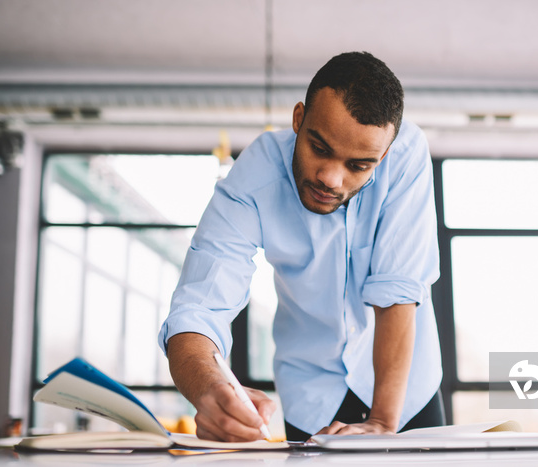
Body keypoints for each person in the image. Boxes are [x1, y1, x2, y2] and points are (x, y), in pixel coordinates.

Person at [158, 51, 444, 442]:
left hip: (405, 390)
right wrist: (208, 390)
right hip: (313, 394)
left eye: (358, 166)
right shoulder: (253, 177)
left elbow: (396, 288)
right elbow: (197, 308)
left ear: (383, 156)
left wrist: (382, 421)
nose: (330, 178)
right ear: (299, 119)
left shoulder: (406, 152)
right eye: (320, 148)